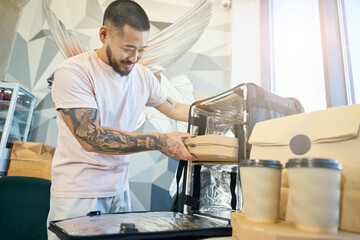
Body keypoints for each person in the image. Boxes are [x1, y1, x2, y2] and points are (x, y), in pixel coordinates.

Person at [47, 1, 196, 239]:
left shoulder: (142, 76)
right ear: (104, 34)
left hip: (119, 190)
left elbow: (174, 108)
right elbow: (91, 137)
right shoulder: (74, 72)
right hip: (80, 193)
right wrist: (159, 141)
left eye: (142, 50)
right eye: (128, 48)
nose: (134, 58)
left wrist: (218, 110)